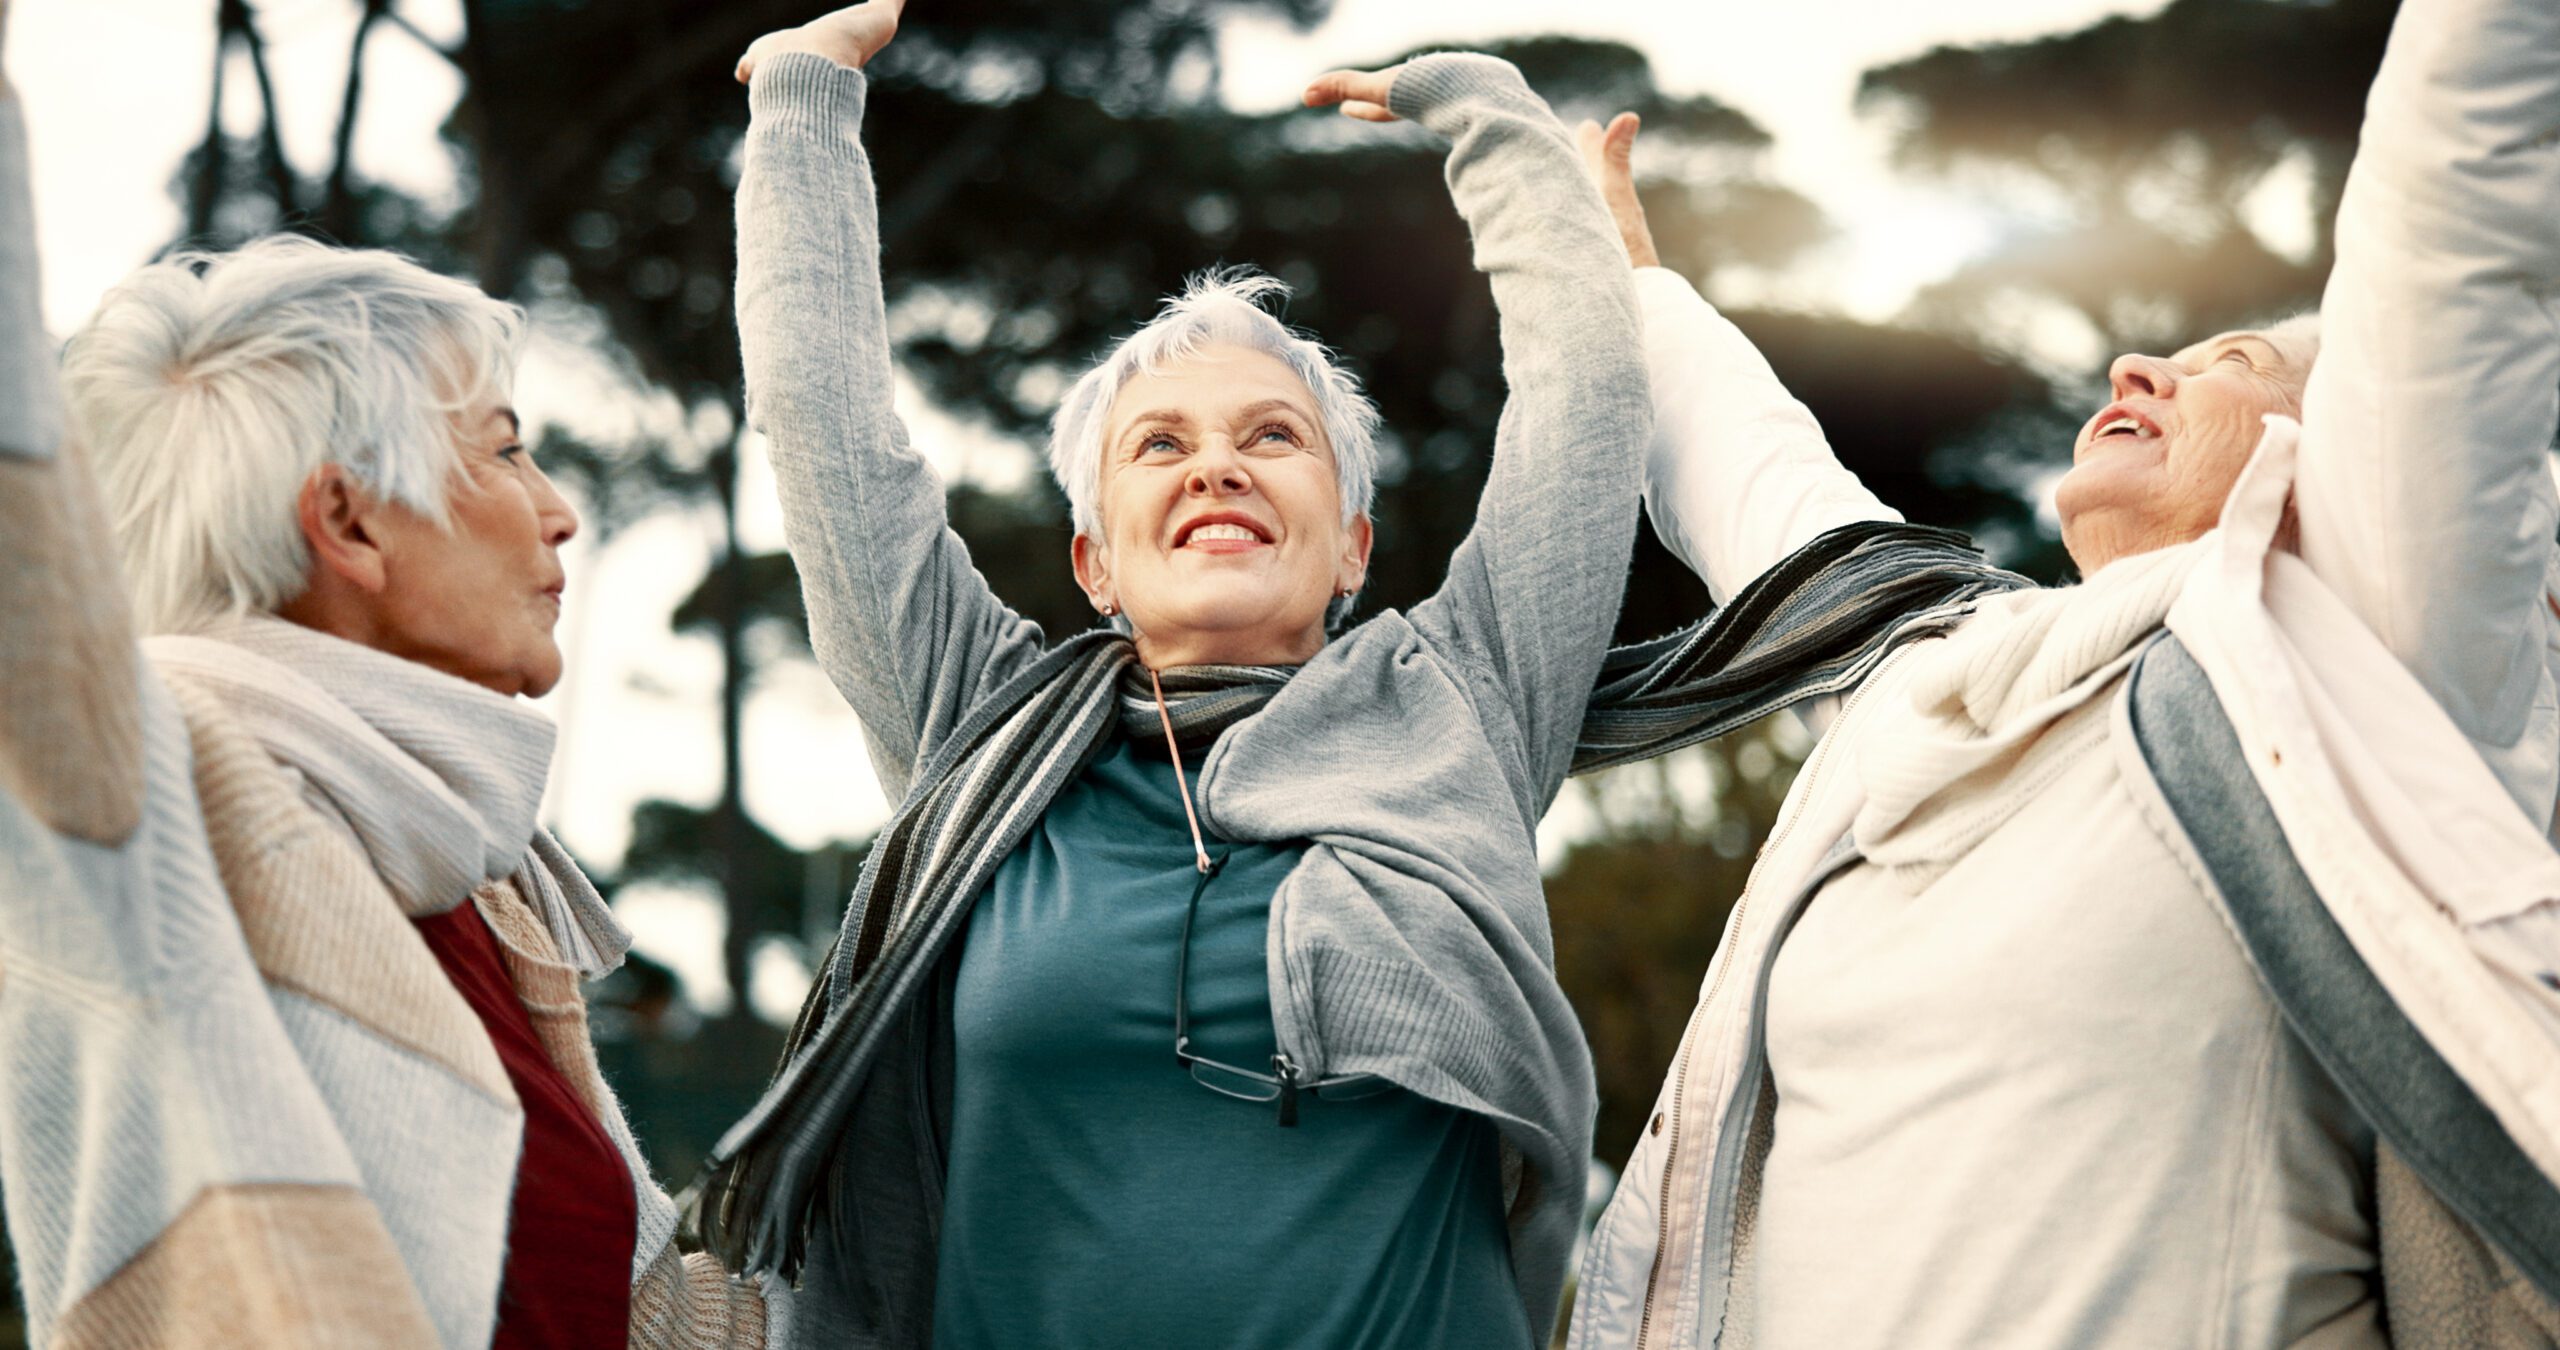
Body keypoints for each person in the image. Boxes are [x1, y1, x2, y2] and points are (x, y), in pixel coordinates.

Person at [1565, 0, 2560, 1344]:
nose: (2137, 361)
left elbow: (2452, 208)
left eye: (2236, 364)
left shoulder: (2373, 640)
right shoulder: (1921, 664)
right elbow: (1741, 460)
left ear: (2356, 470)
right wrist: (1608, 261)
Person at [689, 1, 1675, 1343]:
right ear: (1095, 562)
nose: (1217, 462)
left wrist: (1497, 130)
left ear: (1352, 543)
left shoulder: (1460, 705)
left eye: (1274, 436)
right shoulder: (982, 730)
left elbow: (1585, 410)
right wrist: (804, 111)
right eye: (1159, 445)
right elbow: (829, 436)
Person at [0, 58, 769, 1342]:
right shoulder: (166, 789)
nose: (559, 510)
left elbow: (653, 1323)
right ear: (349, 522)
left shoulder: (478, 879)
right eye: (509, 449)